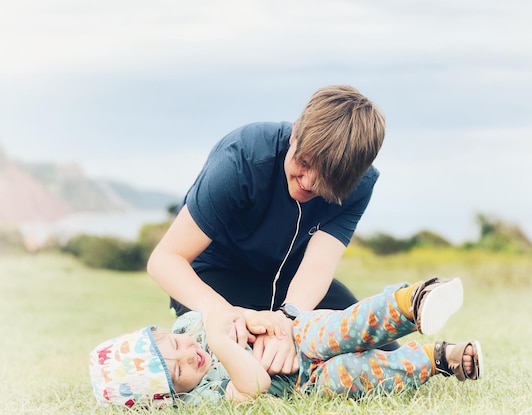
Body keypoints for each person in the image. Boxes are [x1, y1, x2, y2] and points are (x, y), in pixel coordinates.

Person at [146, 85, 388, 377]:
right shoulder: (242, 158)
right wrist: (219, 312)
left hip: (288, 277)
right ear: (295, 132)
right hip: (213, 273)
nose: (309, 182)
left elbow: (318, 266)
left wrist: (289, 320)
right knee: (242, 357)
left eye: (328, 178)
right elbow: (166, 259)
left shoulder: (361, 184)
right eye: (305, 162)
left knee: (374, 345)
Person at [89, 277, 483, 408]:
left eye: (173, 345)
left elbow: (239, 314)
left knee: (341, 328)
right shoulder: (201, 397)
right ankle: (438, 359)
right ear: (172, 396)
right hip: (306, 382)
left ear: (162, 331)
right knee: (357, 375)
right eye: (178, 371)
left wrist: (262, 320)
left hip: (296, 334)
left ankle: (411, 302)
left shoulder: (191, 325)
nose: (187, 356)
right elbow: (255, 386)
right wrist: (220, 341)